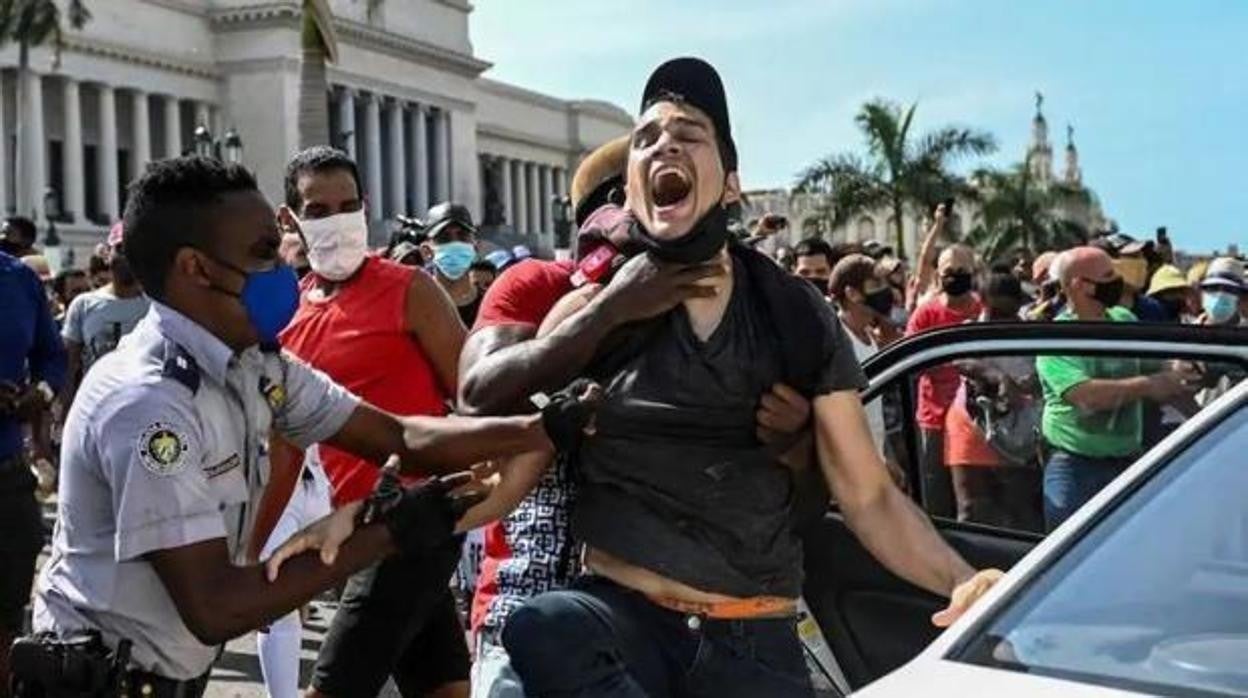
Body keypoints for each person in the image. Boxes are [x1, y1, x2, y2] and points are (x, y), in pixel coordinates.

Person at [497, 56, 1001, 698]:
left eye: (688, 134)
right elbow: (510, 469)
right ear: (628, 188)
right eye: (647, 137)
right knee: (543, 627)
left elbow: (869, 495)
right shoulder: (590, 315)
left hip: (752, 641)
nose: (664, 145)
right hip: (621, 628)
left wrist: (965, 581)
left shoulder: (794, 314)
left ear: (731, 184)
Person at [28, 156, 573, 698]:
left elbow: (400, 438)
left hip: (161, 674)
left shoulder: (258, 365)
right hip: (100, 681)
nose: (283, 272)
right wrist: (389, 532)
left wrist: (543, 427)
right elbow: (215, 607)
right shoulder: (147, 404)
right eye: (264, 254)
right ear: (197, 268)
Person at [457, 131, 815, 697]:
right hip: (530, 608)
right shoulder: (544, 290)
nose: (639, 216)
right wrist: (607, 310)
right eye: (622, 196)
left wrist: (792, 439)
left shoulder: (713, 314)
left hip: (658, 623)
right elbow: (480, 398)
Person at [273, 147, 473, 698]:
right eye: (317, 209)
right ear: (289, 219)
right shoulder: (286, 311)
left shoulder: (411, 291)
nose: (336, 220)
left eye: (347, 205)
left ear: (367, 207)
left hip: (410, 522)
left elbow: (475, 396)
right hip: (347, 528)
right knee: (445, 687)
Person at [1035, 247, 1197, 530]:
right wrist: (1149, 386)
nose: (1117, 282)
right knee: (1070, 554)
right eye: (1108, 276)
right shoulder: (1057, 339)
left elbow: (1154, 366)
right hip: (1075, 468)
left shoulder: (1123, 320)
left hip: (1127, 464)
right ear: (1079, 285)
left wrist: (1178, 371)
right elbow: (1086, 397)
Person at [0, 250, 66, 698]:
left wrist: (36, 395)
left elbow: (52, 357)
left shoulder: (18, 278)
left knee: (7, 615)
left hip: (7, 479)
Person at [944, 272, 1042, 531]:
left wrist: (1024, 386)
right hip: (971, 429)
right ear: (985, 302)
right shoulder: (971, 329)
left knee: (1019, 515)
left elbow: (1040, 378)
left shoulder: (1032, 332)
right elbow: (959, 360)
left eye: (1011, 310)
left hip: (1018, 433)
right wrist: (995, 376)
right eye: (998, 310)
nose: (1006, 317)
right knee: (973, 512)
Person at [905, 244, 982, 519]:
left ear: (973, 273)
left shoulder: (984, 312)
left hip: (975, 423)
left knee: (972, 504)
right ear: (938, 274)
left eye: (962, 270)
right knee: (935, 503)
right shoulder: (925, 315)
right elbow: (910, 360)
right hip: (934, 420)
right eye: (949, 271)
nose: (956, 276)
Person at [61, 223, 150, 408]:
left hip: (146, 406)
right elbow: (69, 366)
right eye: (121, 249)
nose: (128, 257)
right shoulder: (83, 305)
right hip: (96, 407)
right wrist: (67, 412)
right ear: (107, 255)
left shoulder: (158, 305)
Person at [421, 202, 483, 326]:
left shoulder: (489, 303)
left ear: (476, 248)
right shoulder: (416, 305)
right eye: (444, 238)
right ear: (426, 251)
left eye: (462, 236)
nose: (455, 243)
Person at [1198, 257, 1246, 327]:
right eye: (1213, 287)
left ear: (1239, 295)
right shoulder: (1185, 331)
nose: (1220, 295)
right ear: (1203, 293)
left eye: (1228, 289)